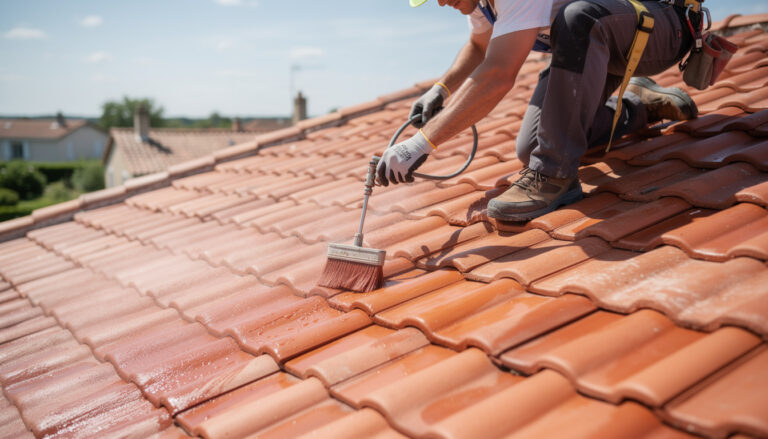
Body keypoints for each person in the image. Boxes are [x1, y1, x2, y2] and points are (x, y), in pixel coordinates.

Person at [376, 0, 699, 221]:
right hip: (599, 47)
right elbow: (479, 45)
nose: (442, 3)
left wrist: (420, 143)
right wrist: (441, 89)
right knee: (534, 146)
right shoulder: (480, 2)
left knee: (578, 18)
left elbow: (499, 74)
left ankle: (554, 175)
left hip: (662, 26)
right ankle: (640, 105)